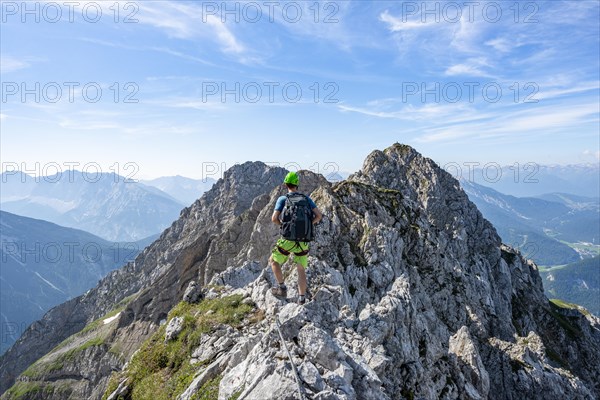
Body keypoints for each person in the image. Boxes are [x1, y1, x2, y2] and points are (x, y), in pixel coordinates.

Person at [269, 171, 322, 304]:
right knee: (300, 269)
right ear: (297, 184)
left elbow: (274, 218)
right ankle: (302, 298)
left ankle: (282, 288)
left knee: (273, 261)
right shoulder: (306, 199)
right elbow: (319, 216)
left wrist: (284, 226)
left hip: (287, 240)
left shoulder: (283, 199)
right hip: (303, 240)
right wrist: (309, 224)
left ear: (286, 184)